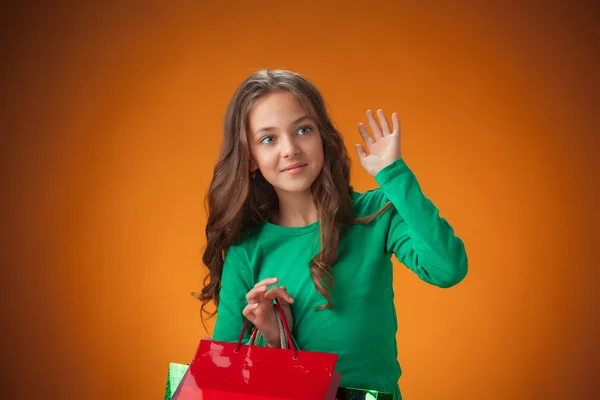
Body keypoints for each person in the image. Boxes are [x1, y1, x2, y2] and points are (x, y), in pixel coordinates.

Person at [194, 69, 468, 399]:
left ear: (322, 136)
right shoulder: (246, 249)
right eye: (269, 139)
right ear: (251, 160)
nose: (290, 149)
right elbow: (221, 383)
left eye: (303, 130)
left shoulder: (376, 213)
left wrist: (393, 175)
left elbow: (447, 269)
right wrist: (276, 339)